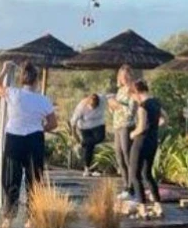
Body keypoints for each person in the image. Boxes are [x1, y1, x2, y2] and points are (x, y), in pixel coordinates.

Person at [0, 61, 58, 221]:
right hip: (34, 140)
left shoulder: (13, 93)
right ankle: (31, 219)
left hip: (14, 139)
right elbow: (53, 123)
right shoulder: (43, 100)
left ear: (22, 79)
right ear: (36, 81)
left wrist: (4, 69)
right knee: (34, 179)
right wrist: (41, 128)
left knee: (11, 179)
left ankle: (8, 218)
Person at [127, 79, 165, 219]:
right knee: (148, 174)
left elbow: (141, 127)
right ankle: (158, 206)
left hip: (140, 142)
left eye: (132, 96)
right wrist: (154, 127)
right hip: (152, 142)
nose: (133, 100)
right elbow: (164, 119)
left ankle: (142, 207)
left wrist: (132, 134)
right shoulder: (156, 103)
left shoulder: (142, 107)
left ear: (136, 93)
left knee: (134, 175)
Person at [107, 65, 138, 197]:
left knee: (127, 155)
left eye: (126, 76)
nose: (124, 78)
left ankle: (132, 186)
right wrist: (111, 106)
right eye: (121, 76)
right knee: (119, 156)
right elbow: (114, 110)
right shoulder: (119, 90)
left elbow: (131, 111)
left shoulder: (133, 90)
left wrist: (118, 105)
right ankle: (126, 185)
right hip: (117, 125)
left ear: (130, 76)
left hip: (127, 124)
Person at [69, 94, 106, 176]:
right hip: (85, 127)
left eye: (95, 107)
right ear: (88, 104)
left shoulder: (102, 99)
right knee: (89, 146)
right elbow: (73, 123)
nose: (93, 109)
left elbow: (112, 98)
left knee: (100, 138)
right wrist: (75, 136)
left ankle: (83, 144)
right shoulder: (81, 107)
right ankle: (87, 168)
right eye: (91, 107)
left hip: (98, 125)